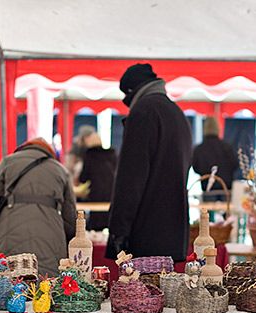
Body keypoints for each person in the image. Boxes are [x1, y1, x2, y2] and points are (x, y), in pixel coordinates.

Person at [107, 63, 192, 261]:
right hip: (175, 233)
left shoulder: (143, 112)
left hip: (146, 234)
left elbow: (131, 178)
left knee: (141, 292)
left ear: (131, 92)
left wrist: (119, 230)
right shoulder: (177, 113)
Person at [0, 138, 76, 277]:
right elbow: (71, 217)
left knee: (5, 286)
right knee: (46, 288)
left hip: (8, 233)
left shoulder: (8, 162)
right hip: (51, 238)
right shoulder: (60, 170)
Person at [77, 131, 118, 231]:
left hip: (96, 194)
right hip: (111, 194)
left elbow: (83, 177)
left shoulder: (90, 155)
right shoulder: (112, 154)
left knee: (95, 226)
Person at [192, 116, 238, 200]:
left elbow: (195, 168)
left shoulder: (199, 149)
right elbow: (235, 164)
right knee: (227, 212)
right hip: (226, 189)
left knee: (207, 213)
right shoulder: (227, 147)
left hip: (207, 190)